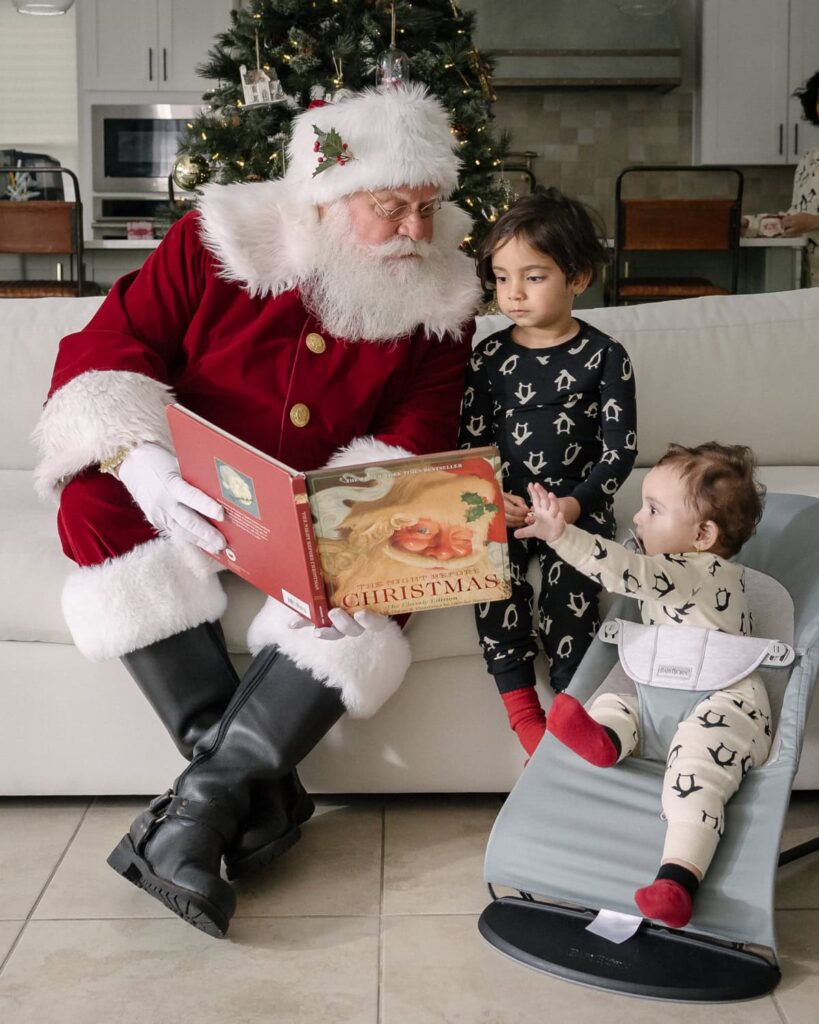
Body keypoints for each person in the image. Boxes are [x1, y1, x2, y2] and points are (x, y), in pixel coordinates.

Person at [33, 84, 481, 937]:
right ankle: (254, 794)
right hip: (193, 494)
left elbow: (414, 439)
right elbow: (105, 353)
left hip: (317, 515)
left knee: (408, 543)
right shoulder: (215, 243)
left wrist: (346, 535)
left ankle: (199, 814)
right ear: (325, 195)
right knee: (94, 495)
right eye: (392, 208)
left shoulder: (441, 298)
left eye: (428, 208)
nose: (418, 233)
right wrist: (150, 466)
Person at [516, 442, 768, 928]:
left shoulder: (699, 570)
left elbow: (625, 571)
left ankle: (676, 880)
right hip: (665, 689)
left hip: (726, 700)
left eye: (653, 509)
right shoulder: (675, 565)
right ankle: (606, 737)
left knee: (697, 775)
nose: (638, 517)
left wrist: (559, 533)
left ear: (702, 535)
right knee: (619, 699)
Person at [458, 190, 637, 757]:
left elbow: (619, 451)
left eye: (533, 276)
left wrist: (573, 507)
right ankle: (525, 721)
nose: (512, 292)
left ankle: (570, 712)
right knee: (491, 582)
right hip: (505, 507)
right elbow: (472, 444)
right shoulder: (489, 360)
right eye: (502, 276)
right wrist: (494, 498)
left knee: (570, 593)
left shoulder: (605, 356)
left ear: (577, 277)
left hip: (574, 512)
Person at [782, 70, 819, 286]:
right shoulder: (809, 159)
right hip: (811, 284)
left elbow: (810, 220)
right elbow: (794, 215)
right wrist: (751, 225)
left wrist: (815, 222)